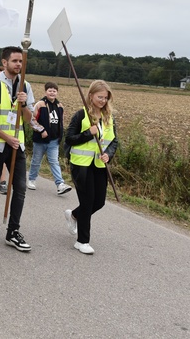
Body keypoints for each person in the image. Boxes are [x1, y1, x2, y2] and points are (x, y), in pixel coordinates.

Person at [0, 46, 36, 251]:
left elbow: (29, 119)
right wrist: (5, 137)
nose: (19, 65)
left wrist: (24, 106)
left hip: (17, 146)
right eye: (15, 61)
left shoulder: (26, 86)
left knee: (20, 188)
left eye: (21, 61)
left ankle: (13, 231)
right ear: (4, 63)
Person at [64, 80, 119, 255]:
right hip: (81, 165)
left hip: (99, 165)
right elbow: (69, 138)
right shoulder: (81, 115)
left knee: (99, 201)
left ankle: (74, 215)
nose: (103, 100)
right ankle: (82, 241)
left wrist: (108, 154)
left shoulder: (109, 117)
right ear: (91, 95)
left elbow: (114, 141)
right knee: (87, 201)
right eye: (100, 96)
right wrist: (89, 134)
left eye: (105, 97)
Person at [28, 82, 72, 194]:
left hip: (54, 140)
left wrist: (60, 135)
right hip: (40, 140)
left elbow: (61, 122)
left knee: (54, 162)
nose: (52, 92)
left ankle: (60, 184)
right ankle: (31, 179)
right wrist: (41, 130)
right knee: (36, 160)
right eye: (50, 90)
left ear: (57, 92)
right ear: (45, 92)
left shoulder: (60, 106)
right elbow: (32, 120)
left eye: (54, 91)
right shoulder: (40, 104)